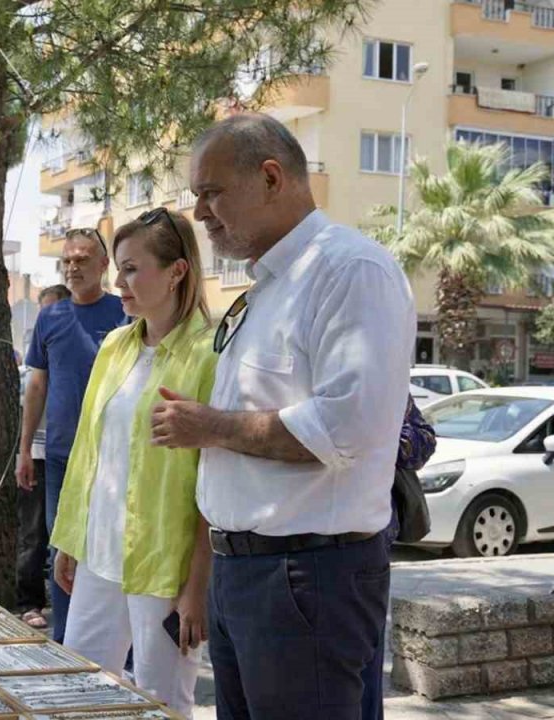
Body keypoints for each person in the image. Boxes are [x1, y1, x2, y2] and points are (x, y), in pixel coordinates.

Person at [150, 113, 415, 719]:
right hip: (248, 577)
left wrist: (209, 426)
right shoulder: (267, 287)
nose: (200, 213)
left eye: (211, 193)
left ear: (271, 177)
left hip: (307, 578)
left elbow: (344, 429)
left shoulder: (350, 271)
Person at [49, 209, 215, 718]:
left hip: (164, 566)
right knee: (81, 691)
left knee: (161, 701)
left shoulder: (210, 353)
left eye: (131, 269)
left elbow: (218, 476)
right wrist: (69, 539)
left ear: (176, 272)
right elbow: (88, 452)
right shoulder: (114, 346)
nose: (117, 282)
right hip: (99, 553)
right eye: (117, 269)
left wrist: (197, 586)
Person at [19, 229, 126, 643]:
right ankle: (66, 639)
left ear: (103, 266)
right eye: (67, 260)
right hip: (62, 456)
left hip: (112, 457)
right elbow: (36, 386)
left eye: (83, 259)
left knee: (110, 547)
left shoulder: (125, 314)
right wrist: (25, 449)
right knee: (60, 548)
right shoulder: (50, 316)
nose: (73, 266)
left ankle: (121, 648)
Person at [361, 396, 437, 720]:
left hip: (371, 541)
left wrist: (386, 438)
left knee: (366, 662)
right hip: (303, 543)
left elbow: (425, 440)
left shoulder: (387, 381)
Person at [16, 283, 72, 630]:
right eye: (44, 311)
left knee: (63, 535)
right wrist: (23, 450)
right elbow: (33, 394)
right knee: (33, 532)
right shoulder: (39, 348)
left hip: (70, 453)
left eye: (55, 310)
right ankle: (29, 601)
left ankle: (65, 603)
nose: (48, 318)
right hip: (38, 451)